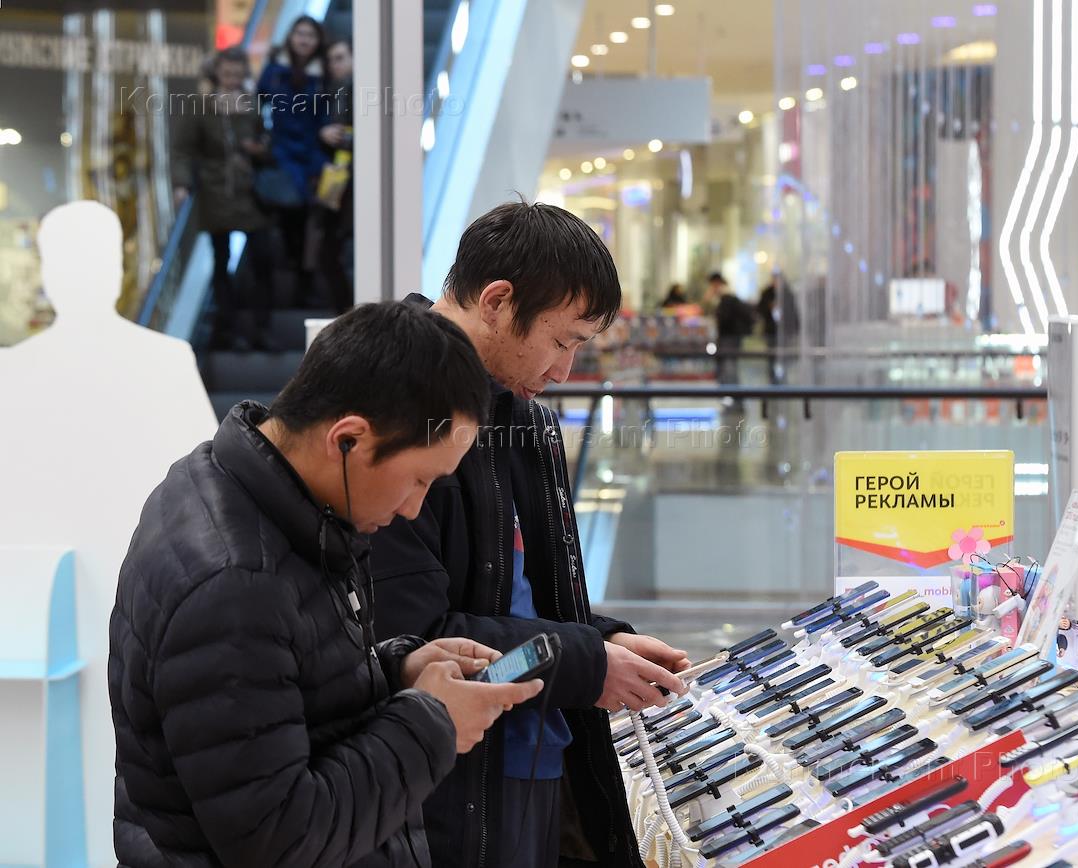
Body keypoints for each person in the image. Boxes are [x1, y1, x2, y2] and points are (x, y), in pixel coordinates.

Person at [108, 302, 544, 868]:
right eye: (418, 479)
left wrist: (395, 672)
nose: (414, 508)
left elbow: (281, 692)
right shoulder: (235, 582)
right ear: (348, 439)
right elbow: (278, 838)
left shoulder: (259, 495)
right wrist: (433, 725)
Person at [370, 201, 692, 868]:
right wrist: (586, 663)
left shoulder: (521, 418)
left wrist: (603, 641)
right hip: (442, 784)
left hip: (533, 755)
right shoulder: (399, 412)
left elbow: (521, 597)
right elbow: (412, 640)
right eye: (563, 341)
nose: (565, 371)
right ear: (497, 302)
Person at [171, 46, 277, 351]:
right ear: (216, 72)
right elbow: (183, 149)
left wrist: (259, 149)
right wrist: (182, 184)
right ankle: (227, 329)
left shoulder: (252, 103)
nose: (231, 78)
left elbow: (267, 141)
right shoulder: (201, 105)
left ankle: (260, 327)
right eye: (226, 72)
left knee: (262, 259)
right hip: (215, 192)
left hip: (250, 192)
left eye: (236, 73)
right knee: (221, 261)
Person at [257, 15, 329, 307]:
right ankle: (292, 285)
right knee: (289, 223)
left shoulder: (323, 73)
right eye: (299, 33)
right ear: (290, 36)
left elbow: (328, 112)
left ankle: (305, 284)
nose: (304, 40)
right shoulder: (275, 70)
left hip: (314, 156)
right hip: (282, 154)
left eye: (310, 35)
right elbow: (257, 101)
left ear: (317, 41)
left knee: (312, 227)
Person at [316, 37, 354, 313]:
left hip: (352, 182)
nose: (334, 65)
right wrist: (323, 133)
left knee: (336, 251)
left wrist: (343, 138)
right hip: (336, 179)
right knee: (328, 252)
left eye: (340, 58)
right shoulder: (330, 91)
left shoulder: (360, 90)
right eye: (330, 60)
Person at [709, 271, 754, 400]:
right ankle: (733, 397)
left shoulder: (726, 298)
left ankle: (734, 398)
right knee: (729, 367)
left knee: (729, 368)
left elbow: (724, 319)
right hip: (731, 337)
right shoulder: (727, 297)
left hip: (729, 338)